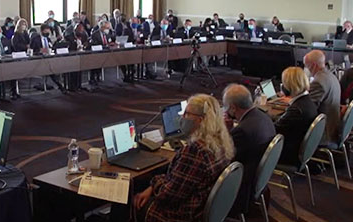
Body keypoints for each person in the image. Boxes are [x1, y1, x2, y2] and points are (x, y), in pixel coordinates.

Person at [134, 94, 234, 222]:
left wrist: (153, 184)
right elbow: (178, 181)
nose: (182, 117)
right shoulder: (221, 142)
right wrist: (152, 187)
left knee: (130, 199)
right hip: (200, 208)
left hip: (181, 214)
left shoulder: (195, 151)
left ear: (201, 120)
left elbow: (169, 194)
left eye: (187, 114)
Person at [222, 84, 276, 216]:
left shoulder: (242, 130)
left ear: (233, 108)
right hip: (258, 178)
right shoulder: (263, 117)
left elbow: (224, 158)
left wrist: (224, 132)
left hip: (242, 186)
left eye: (226, 107)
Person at [275, 67, 318, 166]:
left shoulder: (296, 110)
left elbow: (274, 130)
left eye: (284, 83)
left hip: (288, 154)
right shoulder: (307, 101)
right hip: (300, 148)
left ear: (289, 85)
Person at [305, 50, 341, 145]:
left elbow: (308, 110)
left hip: (324, 132)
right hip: (333, 126)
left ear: (313, 65)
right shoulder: (331, 76)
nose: (306, 69)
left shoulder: (318, 82)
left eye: (306, 65)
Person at [30, 24, 67, 93]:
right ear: (42, 31)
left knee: (58, 65)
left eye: (48, 31)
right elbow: (31, 51)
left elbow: (52, 47)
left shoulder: (48, 39)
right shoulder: (35, 39)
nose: (48, 33)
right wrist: (40, 51)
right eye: (46, 31)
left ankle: (62, 85)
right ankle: (60, 86)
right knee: (51, 68)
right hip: (39, 60)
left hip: (49, 58)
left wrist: (57, 42)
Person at [89, 20, 116, 86]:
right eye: (107, 28)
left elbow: (109, 41)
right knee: (96, 62)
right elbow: (95, 45)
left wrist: (111, 43)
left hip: (105, 53)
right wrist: (106, 45)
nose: (108, 30)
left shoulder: (107, 34)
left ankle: (98, 76)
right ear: (102, 27)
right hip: (96, 54)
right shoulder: (95, 34)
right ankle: (93, 78)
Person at [65, 22, 90, 91]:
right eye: (79, 31)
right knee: (73, 72)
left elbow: (87, 43)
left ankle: (79, 86)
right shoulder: (69, 37)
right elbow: (68, 47)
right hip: (71, 57)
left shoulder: (84, 35)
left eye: (82, 31)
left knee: (79, 70)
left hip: (81, 56)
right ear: (75, 30)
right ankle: (72, 87)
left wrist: (85, 45)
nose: (81, 32)